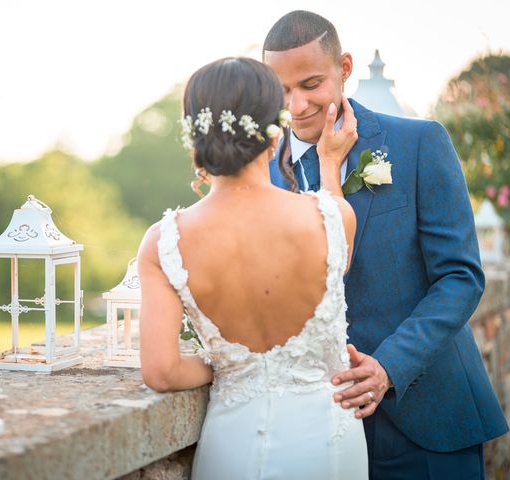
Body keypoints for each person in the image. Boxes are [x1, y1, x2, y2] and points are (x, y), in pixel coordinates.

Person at [263, 10, 509, 479]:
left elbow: (460, 277)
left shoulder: (418, 143)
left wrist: (389, 367)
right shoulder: (262, 176)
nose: (295, 106)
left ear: (345, 69)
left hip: (427, 418)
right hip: (311, 434)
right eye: (281, 90)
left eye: (311, 84)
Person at [138, 57, 368, 479]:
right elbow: (340, 257)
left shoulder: (163, 240)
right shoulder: (334, 217)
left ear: (195, 133)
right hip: (328, 444)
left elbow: (161, 370)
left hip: (233, 446)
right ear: (274, 128)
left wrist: (227, 366)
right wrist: (330, 166)